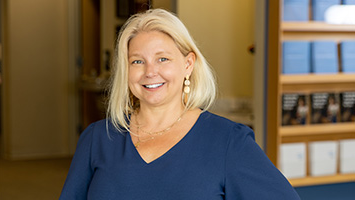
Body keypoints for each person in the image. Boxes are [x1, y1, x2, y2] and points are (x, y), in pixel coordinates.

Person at [60, 9, 300, 200]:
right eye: (137, 61)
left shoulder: (228, 142)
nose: (150, 72)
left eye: (163, 58)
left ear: (188, 64)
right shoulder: (97, 139)